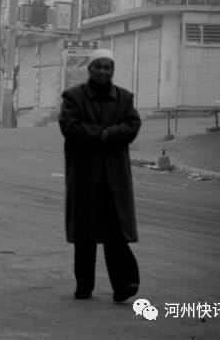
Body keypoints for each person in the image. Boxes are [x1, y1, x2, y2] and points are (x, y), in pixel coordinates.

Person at [58, 48, 142, 303]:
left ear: (113, 70)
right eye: (99, 67)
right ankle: (84, 286)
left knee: (115, 233)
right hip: (85, 176)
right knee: (85, 234)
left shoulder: (124, 99)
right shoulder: (73, 97)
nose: (103, 72)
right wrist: (104, 135)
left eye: (108, 67)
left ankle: (124, 285)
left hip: (115, 178)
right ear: (90, 69)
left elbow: (132, 126)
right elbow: (70, 128)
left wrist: (106, 134)